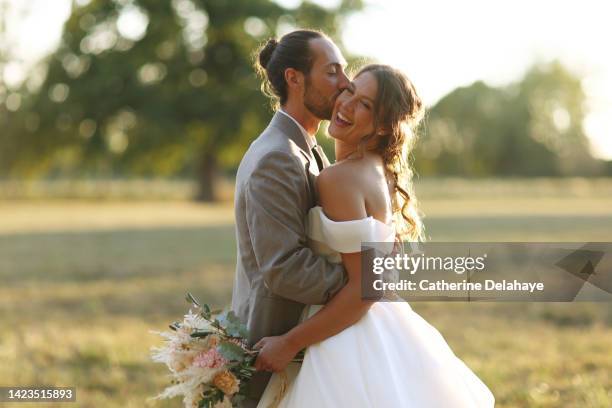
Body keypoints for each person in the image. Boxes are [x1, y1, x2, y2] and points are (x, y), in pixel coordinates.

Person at [253, 64, 495, 407]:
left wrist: (290, 343)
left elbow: (364, 290)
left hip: (349, 338)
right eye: (350, 91)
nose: (347, 105)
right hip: (384, 325)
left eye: (365, 104)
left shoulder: (338, 179)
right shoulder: (377, 169)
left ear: (383, 125)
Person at [231, 29, 352, 407]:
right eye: (332, 72)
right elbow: (283, 267)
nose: (345, 84)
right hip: (273, 342)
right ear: (294, 78)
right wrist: (360, 284)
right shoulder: (278, 156)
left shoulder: (306, 148)